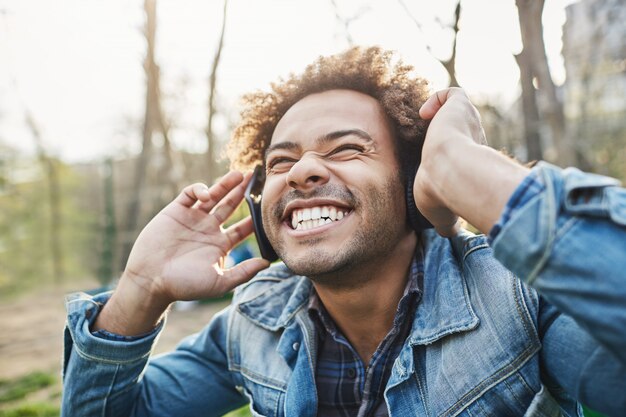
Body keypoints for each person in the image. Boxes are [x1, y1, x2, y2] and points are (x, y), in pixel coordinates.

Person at [61, 47, 626, 417]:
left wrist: (463, 166)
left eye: (347, 149)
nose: (303, 171)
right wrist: (140, 289)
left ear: (413, 184)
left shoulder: (516, 300)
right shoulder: (252, 322)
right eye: (281, 163)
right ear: (262, 211)